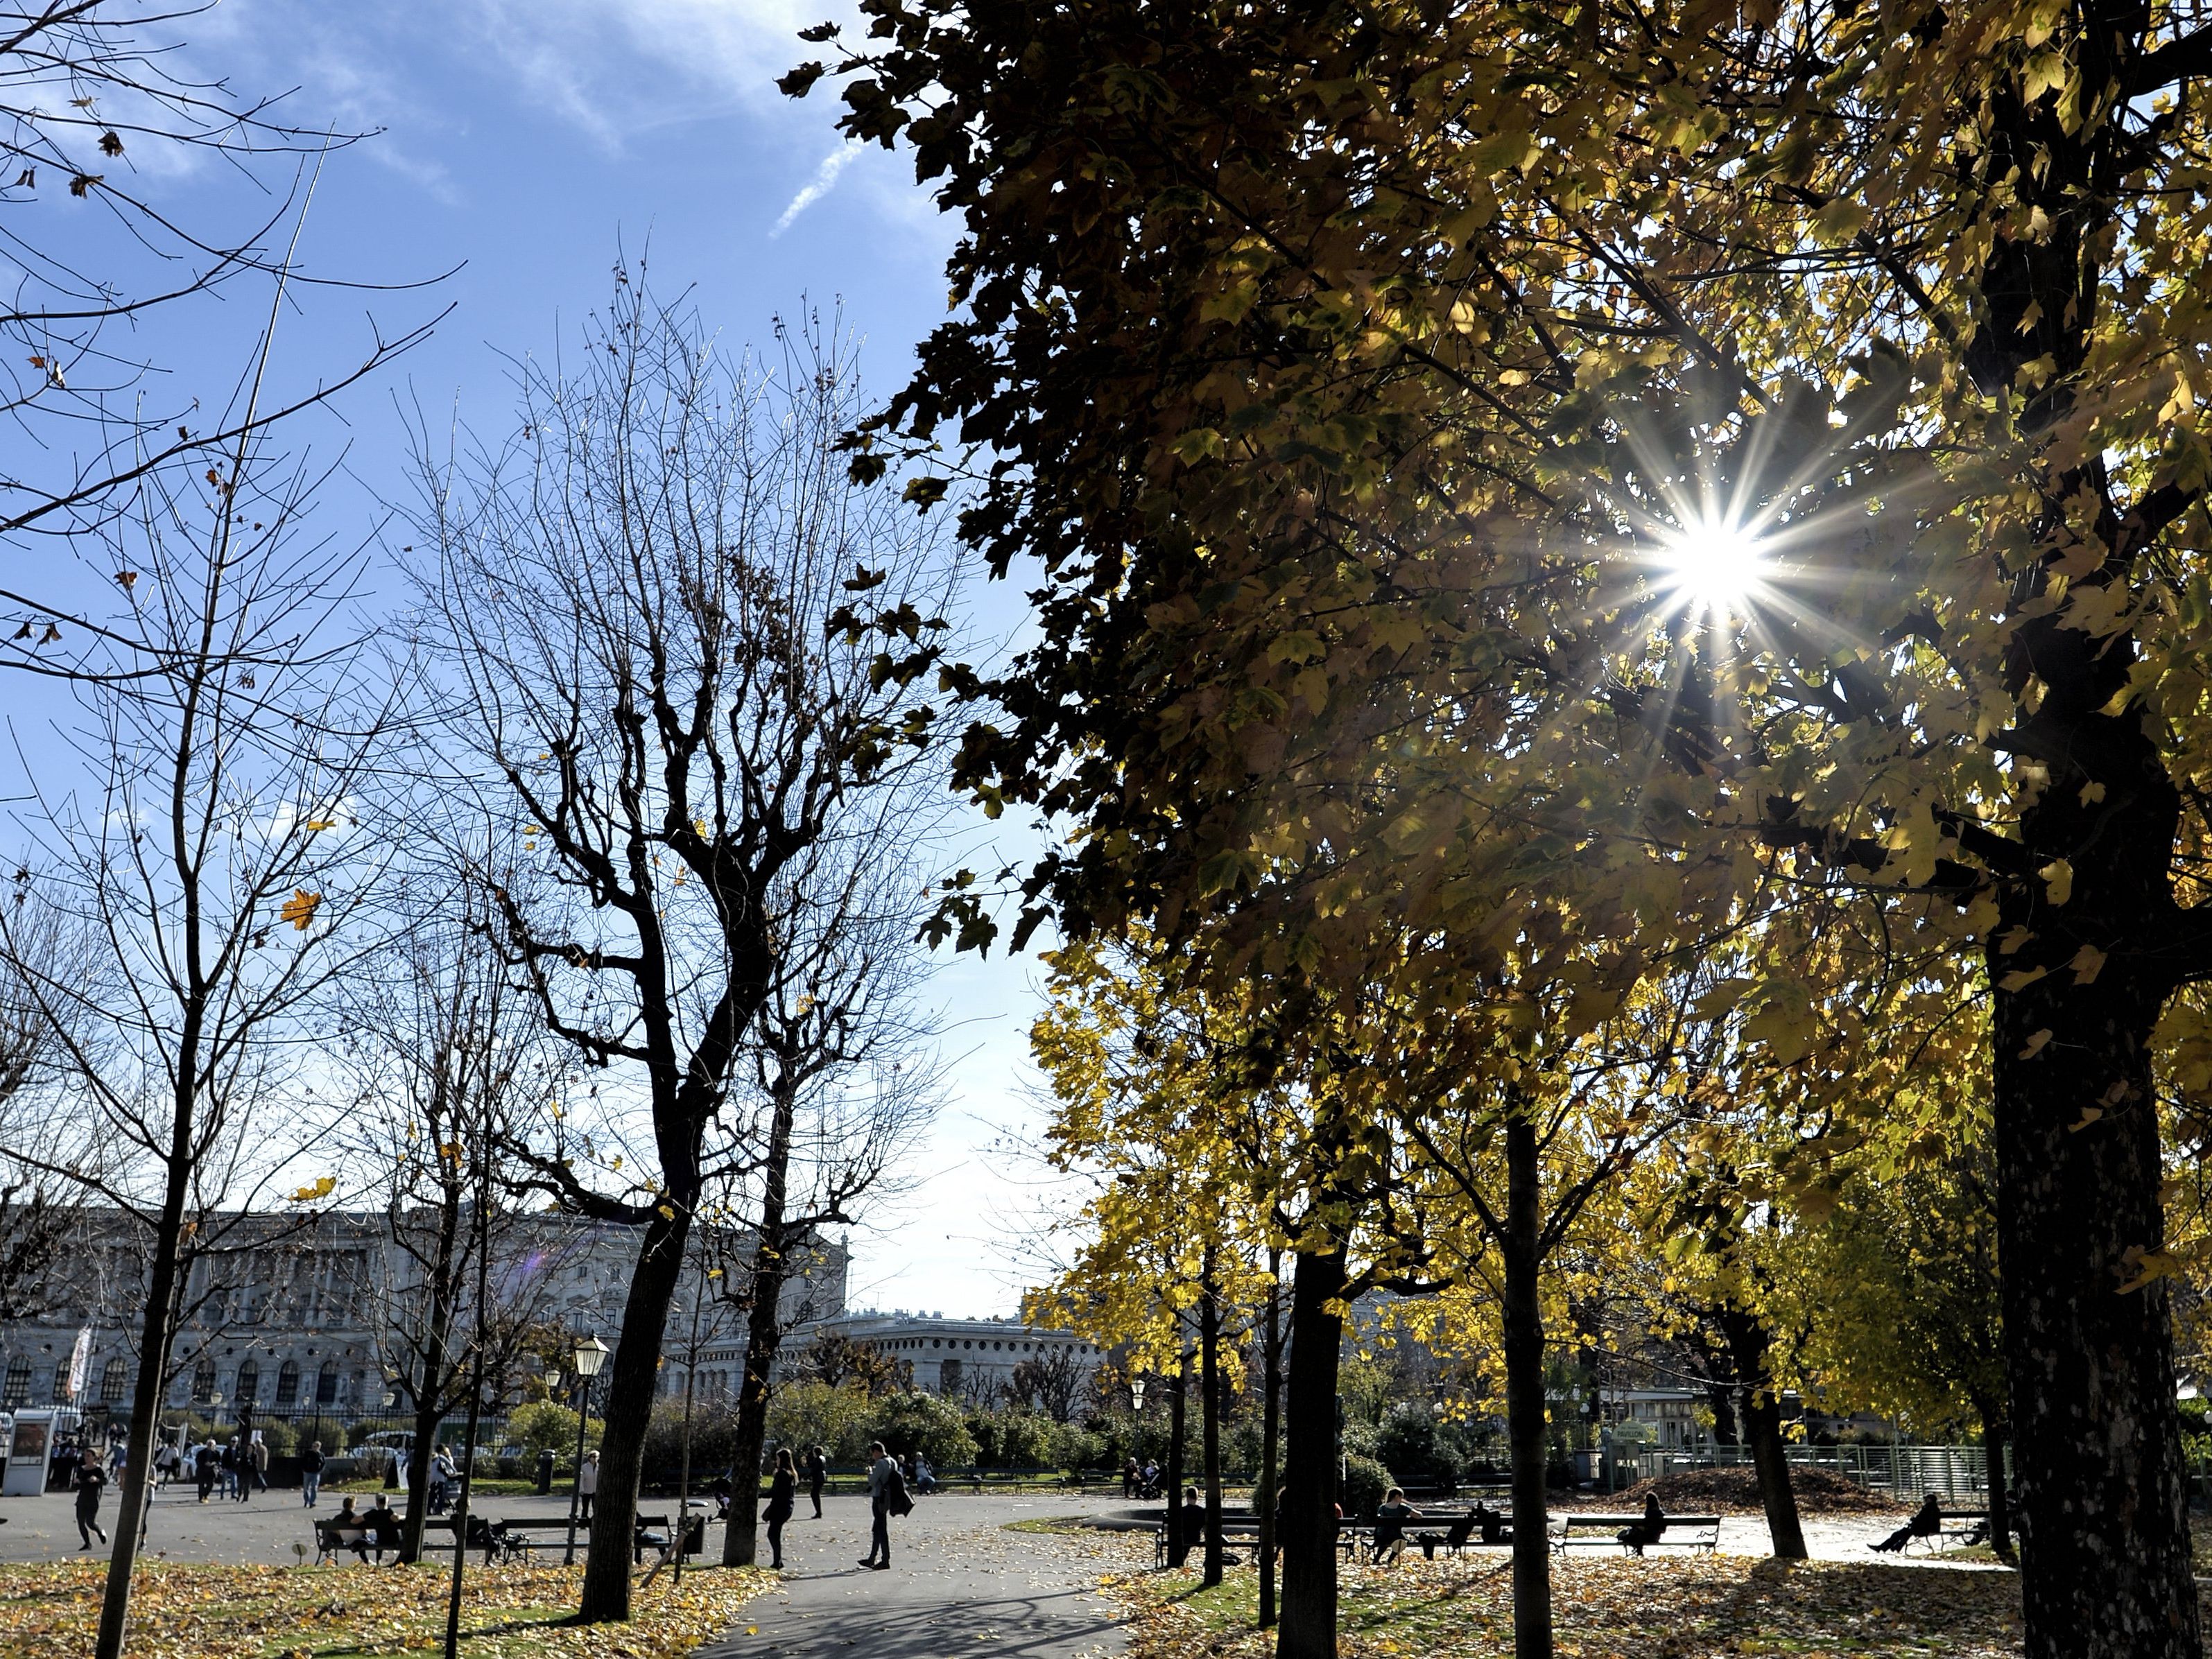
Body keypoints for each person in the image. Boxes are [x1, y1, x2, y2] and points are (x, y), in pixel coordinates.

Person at [859, 1441, 905, 1570]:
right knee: (877, 1529)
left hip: (879, 1497)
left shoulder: (880, 1463)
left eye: (873, 1454)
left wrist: (870, 1472)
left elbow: (873, 1481)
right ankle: (872, 1558)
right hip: (887, 1498)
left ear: (877, 1452)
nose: (873, 1456)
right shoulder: (893, 1461)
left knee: (881, 1529)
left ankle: (885, 1559)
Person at [1872, 1493, 1944, 1554]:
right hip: (1930, 1529)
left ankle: (1884, 1548)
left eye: (1926, 1499)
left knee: (1900, 1533)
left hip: (1926, 1530)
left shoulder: (1928, 1508)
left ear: (1930, 1500)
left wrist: (1914, 1520)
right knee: (1906, 1533)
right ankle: (1895, 1547)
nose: (1925, 1500)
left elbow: (1923, 1520)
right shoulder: (1933, 1508)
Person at [763, 1448, 797, 1570]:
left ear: (781, 1460)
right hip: (787, 1506)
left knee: (773, 1534)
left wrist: (759, 1495)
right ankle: (778, 1561)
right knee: (775, 1533)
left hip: (779, 1507)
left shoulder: (782, 1473)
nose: (776, 1461)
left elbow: (774, 1492)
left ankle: (777, 1562)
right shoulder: (791, 1473)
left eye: (777, 1459)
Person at [1372, 1486, 1424, 1563]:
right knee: (1402, 1541)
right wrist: (1408, 1505)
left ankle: (1376, 1560)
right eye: (1401, 1497)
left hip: (1381, 1536)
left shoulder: (1382, 1508)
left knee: (1385, 1542)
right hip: (1396, 1536)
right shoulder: (1402, 1507)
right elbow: (1419, 1516)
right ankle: (1389, 1561)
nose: (1402, 1499)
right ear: (1397, 1496)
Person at [74, 1455, 108, 1549]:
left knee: (90, 1522)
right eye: (86, 1455)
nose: (87, 1457)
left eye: (89, 1455)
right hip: (82, 1498)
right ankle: (87, 1543)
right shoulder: (81, 1469)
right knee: (80, 1522)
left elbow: (105, 1481)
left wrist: (97, 1480)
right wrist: (76, 1482)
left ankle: (101, 1533)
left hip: (93, 1498)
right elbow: (77, 1483)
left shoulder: (98, 1470)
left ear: (94, 1457)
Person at [1618, 1491, 1667, 1555]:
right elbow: (1663, 1530)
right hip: (1656, 1538)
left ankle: (1639, 1551)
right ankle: (1639, 1551)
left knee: (1637, 1533)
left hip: (1648, 1537)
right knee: (1638, 1533)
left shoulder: (1650, 1513)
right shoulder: (1660, 1513)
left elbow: (1648, 1528)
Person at [1171, 1486, 1206, 1567]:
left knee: (1183, 1541)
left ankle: (1179, 1562)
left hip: (1182, 1536)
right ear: (1197, 1497)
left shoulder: (1181, 1511)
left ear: (1187, 1496)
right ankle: (1181, 1561)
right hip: (1195, 1537)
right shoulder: (1201, 1511)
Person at [301, 1440, 325, 1509]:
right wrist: (304, 1469)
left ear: (319, 1447)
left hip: (316, 1473)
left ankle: (312, 1502)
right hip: (307, 1472)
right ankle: (306, 1500)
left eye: (316, 1446)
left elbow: (323, 1463)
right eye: (313, 1446)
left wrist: (320, 1470)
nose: (314, 1448)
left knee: (314, 1488)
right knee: (306, 1488)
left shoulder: (321, 1455)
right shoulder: (308, 1453)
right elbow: (303, 1461)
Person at [578, 1449, 600, 1524]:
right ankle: (583, 1522)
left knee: (596, 1507)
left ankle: (596, 1522)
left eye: (597, 1457)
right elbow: (581, 1479)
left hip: (596, 1490)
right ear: (590, 1458)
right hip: (586, 1490)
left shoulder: (599, 1467)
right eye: (593, 1457)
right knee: (585, 1507)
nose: (595, 1458)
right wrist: (581, 1489)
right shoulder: (584, 1467)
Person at [805, 1446, 827, 1518]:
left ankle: (819, 1512)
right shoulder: (822, 1458)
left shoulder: (818, 1459)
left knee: (814, 1494)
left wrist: (806, 1477)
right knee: (815, 1494)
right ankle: (818, 1512)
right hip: (822, 1477)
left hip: (818, 1478)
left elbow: (814, 1470)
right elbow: (813, 1466)